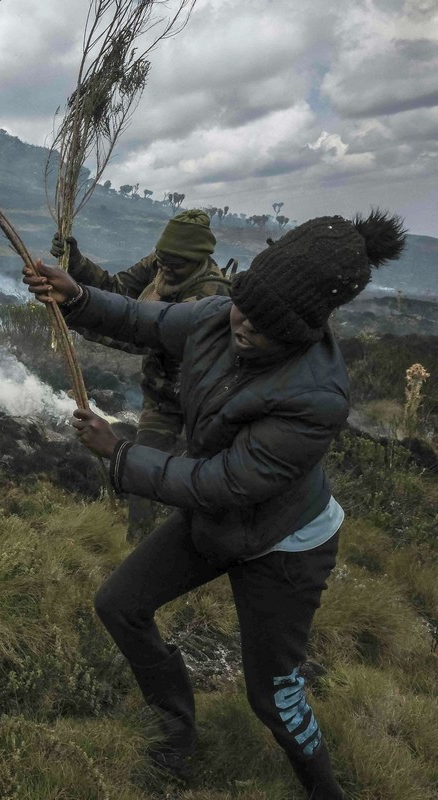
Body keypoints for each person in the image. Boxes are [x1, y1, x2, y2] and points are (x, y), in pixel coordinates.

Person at [24, 210, 407, 799]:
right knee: (120, 605)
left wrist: (120, 454)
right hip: (220, 523)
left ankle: (325, 791)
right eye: (244, 307)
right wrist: (76, 298)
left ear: (307, 327)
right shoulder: (217, 316)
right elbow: (139, 319)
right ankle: (176, 730)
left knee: (272, 696)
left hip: (283, 545)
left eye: (267, 324)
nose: (245, 327)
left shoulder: (316, 397)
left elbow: (220, 483)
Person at [51, 210, 232, 540]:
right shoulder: (161, 264)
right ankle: (139, 542)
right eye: (161, 259)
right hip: (162, 398)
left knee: (201, 479)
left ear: (197, 260)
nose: (163, 268)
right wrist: (75, 262)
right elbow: (117, 288)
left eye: (173, 263)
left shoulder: (211, 295)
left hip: (201, 402)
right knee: (140, 466)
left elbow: (142, 338)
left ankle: (200, 543)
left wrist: (78, 315)